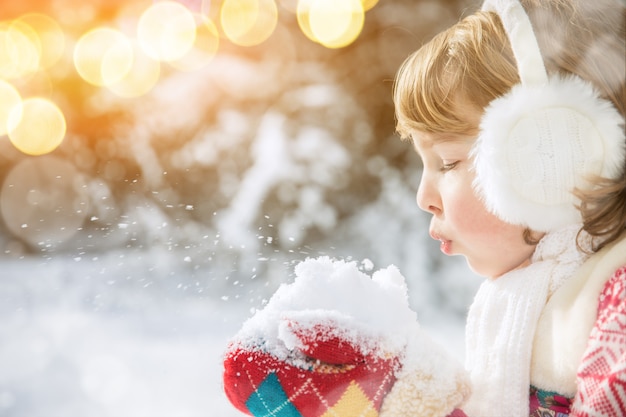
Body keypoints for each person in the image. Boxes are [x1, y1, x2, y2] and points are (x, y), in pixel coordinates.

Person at [222, 0, 626, 415]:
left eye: (447, 162)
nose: (423, 197)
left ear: (557, 160)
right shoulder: (525, 306)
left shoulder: (615, 310)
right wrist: (399, 399)